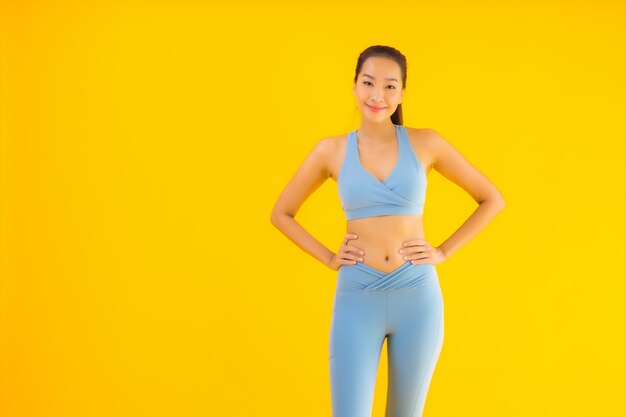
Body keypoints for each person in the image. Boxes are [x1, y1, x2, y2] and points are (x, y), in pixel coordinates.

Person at [270, 45, 505, 417]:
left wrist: (443, 251)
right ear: (354, 86)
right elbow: (281, 213)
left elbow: (492, 198)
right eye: (368, 83)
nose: (377, 95)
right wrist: (330, 257)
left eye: (390, 86)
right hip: (356, 297)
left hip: (417, 298)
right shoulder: (330, 150)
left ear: (402, 93)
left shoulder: (426, 143)